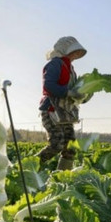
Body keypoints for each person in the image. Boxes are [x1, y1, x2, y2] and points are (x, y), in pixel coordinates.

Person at [36, 36, 89, 170]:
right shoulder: (54, 64)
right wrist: (70, 93)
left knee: (70, 147)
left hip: (65, 112)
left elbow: (75, 90)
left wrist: (84, 95)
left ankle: (62, 177)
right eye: (74, 51)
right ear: (65, 50)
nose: (76, 54)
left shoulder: (71, 69)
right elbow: (49, 85)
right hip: (51, 109)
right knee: (56, 145)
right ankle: (27, 168)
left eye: (78, 52)